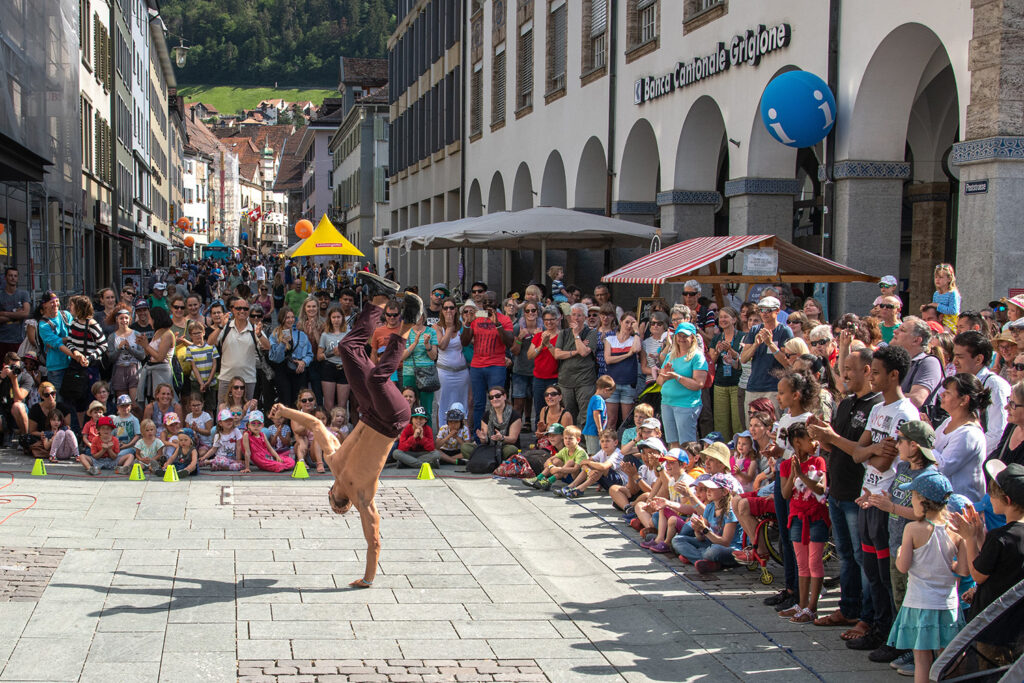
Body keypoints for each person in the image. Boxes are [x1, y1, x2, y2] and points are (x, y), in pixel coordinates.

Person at [268, 271, 420, 588]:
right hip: (392, 419)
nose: (335, 497)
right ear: (343, 502)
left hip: (368, 412)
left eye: (333, 498)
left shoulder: (335, 464)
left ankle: (379, 297)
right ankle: (406, 327)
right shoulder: (362, 497)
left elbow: (314, 423)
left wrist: (284, 409)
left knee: (348, 347)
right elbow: (374, 538)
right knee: (379, 377)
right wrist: (367, 578)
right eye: (336, 501)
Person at [805, 347, 881, 636]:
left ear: (868, 371)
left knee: (863, 556)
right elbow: (831, 445)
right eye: (843, 367)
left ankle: (866, 615)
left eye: (850, 367)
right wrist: (820, 435)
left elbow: (860, 452)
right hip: (836, 489)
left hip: (857, 492)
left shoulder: (875, 406)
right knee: (846, 556)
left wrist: (832, 437)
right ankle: (848, 608)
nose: (844, 373)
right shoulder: (847, 403)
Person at [887, 470, 965, 681]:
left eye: (912, 496)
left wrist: (901, 554)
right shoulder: (956, 530)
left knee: (921, 661)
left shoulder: (912, 528)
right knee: (946, 659)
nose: (910, 500)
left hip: (919, 604)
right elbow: (963, 571)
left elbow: (903, 567)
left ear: (922, 501)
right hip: (947, 605)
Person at [951, 460, 1024, 621]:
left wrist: (969, 538)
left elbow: (978, 574)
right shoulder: (1009, 535)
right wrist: (978, 535)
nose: (989, 499)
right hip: (1016, 619)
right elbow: (996, 562)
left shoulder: (999, 537)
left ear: (1007, 500)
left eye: (992, 495)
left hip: (993, 621)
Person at [777, 423, 829, 623]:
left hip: (816, 518)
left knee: (815, 561)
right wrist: (793, 474)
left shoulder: (819, 461)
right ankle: (801, 603)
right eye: (811, 439)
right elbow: (785, 493)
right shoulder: (785, 464)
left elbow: (821, 489)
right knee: (802, 564)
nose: (815, 443)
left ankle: (812, 606)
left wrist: (802, 475)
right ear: (798, 442)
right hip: (797, 518)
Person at [932, 373, 991, 502]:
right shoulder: (947, 422)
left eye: (948, 393)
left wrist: (923, 439)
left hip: (961, 507)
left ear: (964, 400)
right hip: (942, 502)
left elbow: (943, 467)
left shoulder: (969, 434)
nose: (942, 395)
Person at [462, 291, 513, 432]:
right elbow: (464, 342)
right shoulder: (477, 318)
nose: (488, 305)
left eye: (491, 302)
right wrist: (467, 324)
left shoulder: (504, 319)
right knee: (478, 403)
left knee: (497, 402)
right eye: (485, 302)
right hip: (477, 366)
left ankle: (497, 433)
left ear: (497, 303)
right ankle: (479, 435)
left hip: (496, 366)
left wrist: (497, 323)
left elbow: (509, 342)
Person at [671, 472, 741, 574]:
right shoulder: (710, 506)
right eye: (707, 488)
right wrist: (698, 530)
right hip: (711, 543)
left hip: (728, 548)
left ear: (724, 491)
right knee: (677, 540)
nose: (708, 491)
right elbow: (701, 538)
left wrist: (704, 530)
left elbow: (725, 542)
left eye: (712, 488)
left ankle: (698, 557)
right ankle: (706, 561)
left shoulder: (730, 512)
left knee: (714, 550)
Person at [952, 331, 1010, 452]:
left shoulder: (994, 385)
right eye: (954, 356)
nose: (954, 362)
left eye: (960, 357)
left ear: (978, 359)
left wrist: (966, 453)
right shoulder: (962, 383)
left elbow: (998, 433)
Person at [740, 296, 793, 416]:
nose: (764, 313)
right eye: (761, 310)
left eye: (768, 310)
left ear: (777, 311)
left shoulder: (784, 331)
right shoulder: (754, 330)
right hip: (754, 385)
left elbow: (787, 362)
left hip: (774, 387)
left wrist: (770, 344)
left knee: (773, 425)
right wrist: (755, 345)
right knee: (752, 425)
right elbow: (743, 358)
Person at [657, 322, 708, 448]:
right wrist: (664, 374)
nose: (681, 338)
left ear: (693, 338)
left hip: (686, 404)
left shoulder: (697, 357)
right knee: (672, 442)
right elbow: (659, 381)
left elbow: (699, 384)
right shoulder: (670, 355)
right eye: (679, 335)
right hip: (667, 403)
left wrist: (677, 377)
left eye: (685, 336)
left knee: (686, 444)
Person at [215, 296, 271, 406]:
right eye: (239, 308)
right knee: (223, 412)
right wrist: (220, 326)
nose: (242, 311)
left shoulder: (254, 329)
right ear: (233, 310)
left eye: (245, 309)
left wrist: (259, 334)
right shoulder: (225, 327)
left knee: (247, 411)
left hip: (248, 379)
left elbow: (268, 346)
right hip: (226, 378)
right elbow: (211, 342)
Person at [891, 316, 943, 410]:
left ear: (916, 340)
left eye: (902, 330)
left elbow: (916, 399)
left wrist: (883, 396)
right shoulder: (894, 362)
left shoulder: (929, 362)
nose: (895, 331)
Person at [37, 291, 85, 391]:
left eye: (57, 301)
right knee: (58, 398)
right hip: (56, 367)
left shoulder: (66, 315)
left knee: (74, 395)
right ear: (44, 305)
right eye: (51, 302)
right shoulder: (43, 325)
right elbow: (58, 344)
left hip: (72, 364)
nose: (55, 304)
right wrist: (76, 355)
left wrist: (65, 340)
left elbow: (76, 332)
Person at [433, 297, 470, 426]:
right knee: (443, 404)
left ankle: (464, 434)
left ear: (456, 310)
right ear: (441, 310)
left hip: (461, 372)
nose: (449, 310)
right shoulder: (437, 327)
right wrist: (449, 328)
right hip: (444, 372)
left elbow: (468, 342)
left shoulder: (461, 326)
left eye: (451, 308)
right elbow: (442, 345)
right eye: (445, 308)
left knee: (462, 404)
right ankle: (442, 435)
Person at [708, 306, 743, 437]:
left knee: (737, 421)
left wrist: (731, 351)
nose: (722, 319)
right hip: (720, 383)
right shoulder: (716, 338)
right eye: (721, 317)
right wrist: (717, 351)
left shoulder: (742, 337)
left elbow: (743, 359)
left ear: (734, 319)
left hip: (737, 383)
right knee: (720, 422)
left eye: (726, 317)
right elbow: (711, 360)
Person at [602, 311, 640, 432]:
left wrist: (637, 331)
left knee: (627, 420)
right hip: (612, 383)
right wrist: (628, 354)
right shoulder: (610, 339)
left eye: (632, 323)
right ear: (621, 322)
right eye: (627, 322)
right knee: (611, 420)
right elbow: (608, 359)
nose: (629, 325)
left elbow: (637, 348)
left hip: (628, 383)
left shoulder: (634, 339)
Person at [463, 385, 522, 464]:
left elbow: (513, 439)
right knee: (465, 447)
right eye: (491, 397)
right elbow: (484, 442)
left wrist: (502, 438)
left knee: (512, 450)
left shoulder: (515, 415)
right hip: (490, 448)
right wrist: (483, 438)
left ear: (504, 396)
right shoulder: (487, 415)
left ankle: (487, 462)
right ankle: (490, 462)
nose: (494, 399)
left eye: (497, 396)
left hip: (504, 448)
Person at [268, 307, 312, 408]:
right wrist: (282, 344)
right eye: (287, 317)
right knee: (285, 402)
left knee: (298, 402)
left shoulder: (301, 335)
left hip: (298, 371)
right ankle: (286, 423)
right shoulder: (274, 335)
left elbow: (310, 354)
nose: (290, 320)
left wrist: (304, 362)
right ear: (281, 319)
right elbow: (275, 359)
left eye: (292, 317)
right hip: (282, 371)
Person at [401, 311, 438, 420]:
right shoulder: (405, 332)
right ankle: (409, 436)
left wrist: (427, 345)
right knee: (408, 408)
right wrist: (415, 343)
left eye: (420, 314)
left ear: (424, 316)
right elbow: (401, 357)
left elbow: (433, 356)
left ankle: (428, 436)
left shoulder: (431, 331)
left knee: (427, 410)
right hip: (409, 373)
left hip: (427, 374)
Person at [510, 301, 541, 428]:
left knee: (536, 401)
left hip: (537, 370)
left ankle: (530, 423)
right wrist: (520, 338)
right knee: (518, 401)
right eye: (527, 311)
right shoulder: (518, 327)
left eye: (533, 310)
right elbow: (514, 351)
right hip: (520, 369)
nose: (530, 313)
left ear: (537, 312)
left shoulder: (542, 328)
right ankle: (515, 427)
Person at [106, 308, 147, 402]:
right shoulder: (112, 337)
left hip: (134, 369)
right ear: (117, 319)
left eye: (126, 318)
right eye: (121, 318)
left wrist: (130, 349)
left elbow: (142, 356)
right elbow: (111, 358)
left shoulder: (136, 334)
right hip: (119, 369)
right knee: (123, 402)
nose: (124, 321)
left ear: (129, 319)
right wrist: (119, 349)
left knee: (135, 403)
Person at [318, 305, 351, 415]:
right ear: (330, 319)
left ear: (342, 318)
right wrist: (332, 353)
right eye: (333, 317)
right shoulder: (325, 335)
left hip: (344, 368)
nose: (336, 320)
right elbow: (319, 356)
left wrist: (344, 352)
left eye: (338, 317)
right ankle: (328, 428)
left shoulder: (348, 334)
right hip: (329, 368)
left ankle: (342, 429)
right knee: (328, 404)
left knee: (342, 405)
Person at [0, 267, 30, 358]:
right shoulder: (1, 295)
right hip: (2, 340)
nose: (13, 278)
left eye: (15, 276)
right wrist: (17, 315)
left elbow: (25, 313)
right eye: (10, 275)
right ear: (5, 277)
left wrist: (4, 313)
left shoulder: (23, 294)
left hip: (19, 340)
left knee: (18, 367)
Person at [582, 375, 615, 454]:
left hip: (595, 432)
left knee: (598, 453)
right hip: (593, 431)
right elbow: (596, 413)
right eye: (610, 393)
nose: (610, 396)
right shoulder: (598, 399)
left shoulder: (597, 399)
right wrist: (599, 429)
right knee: (594, 453)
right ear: (605, 390)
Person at [932, 263, 960, 331]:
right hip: (938, 320)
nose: (937, 280)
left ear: (949, 279)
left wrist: (937, 305)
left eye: (941, 277)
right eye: (936, 277)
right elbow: (934, 309)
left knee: (945, 332)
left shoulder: (952, 293)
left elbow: (953, 310)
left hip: (950, 322)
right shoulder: (936, 294)